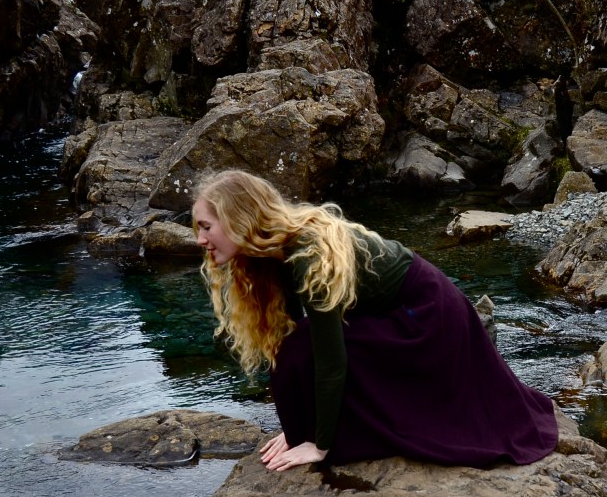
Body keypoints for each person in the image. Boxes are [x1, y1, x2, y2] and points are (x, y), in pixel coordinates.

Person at [192, 169, 559, 472]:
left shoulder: (307, 254)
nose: (199, 239)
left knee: (312, 347)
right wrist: (295, 429)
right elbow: (285, 344)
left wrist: (320, 446)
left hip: (427, 315)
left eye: (207, 227)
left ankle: (336, 435)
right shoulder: (269, 252)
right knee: (294, 343)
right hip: (388, 313)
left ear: (238, 219)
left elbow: (330, 361)